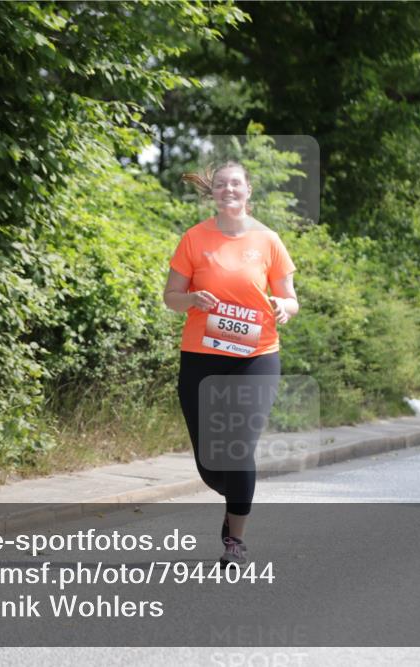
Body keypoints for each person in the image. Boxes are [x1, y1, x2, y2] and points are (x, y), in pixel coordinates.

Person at [163, 161, 298, 566]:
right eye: (220, 184)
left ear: (248, 191)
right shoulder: (194, 238)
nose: (228, 190)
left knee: (238, 450)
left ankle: (234, 541)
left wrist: (283, 307)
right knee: (210, 466)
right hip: (202, 356)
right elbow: (171, 296)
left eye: (235, 184)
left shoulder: (268, 239)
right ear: (213, 193)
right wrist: (191, 300)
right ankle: (234, 492)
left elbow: (291, 297)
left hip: (255, 357)